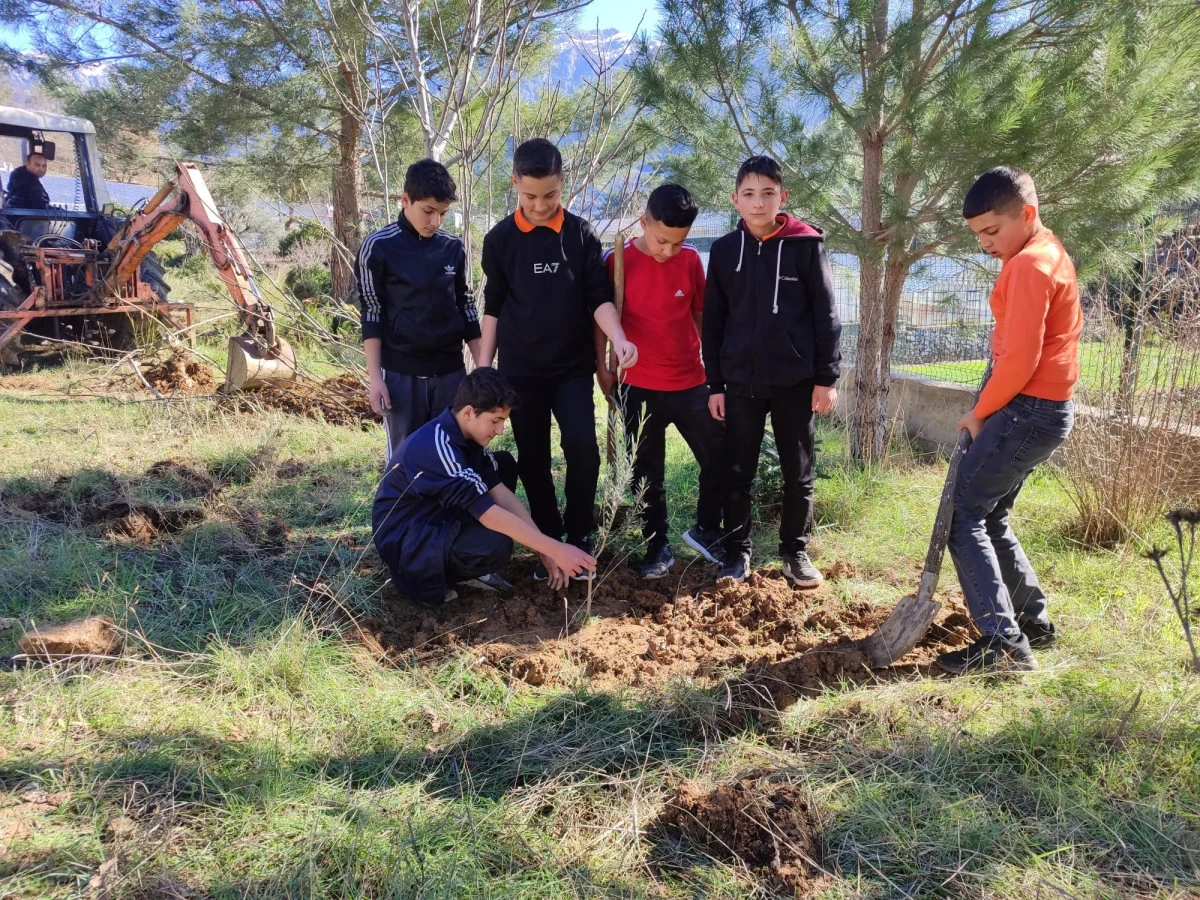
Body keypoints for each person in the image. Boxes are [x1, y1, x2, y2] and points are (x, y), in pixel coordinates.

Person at [936, 166, 1081, 675]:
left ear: (1028, 214)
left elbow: (1018, 360)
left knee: (963, 516)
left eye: (992, 232)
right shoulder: (1046, 251)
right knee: (991, 514)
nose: (984, 245)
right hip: (1046, 410)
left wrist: (979, 413)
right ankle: (1033, 625)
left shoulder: (1027, 267)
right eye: (977, 235)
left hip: (1027, 409)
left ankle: (1003, 646)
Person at [477, 138, 637, 579]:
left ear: (562, 182)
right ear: (514, 184)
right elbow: (492, 307)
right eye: (530, 195)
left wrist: (618, 339)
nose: (541, 204)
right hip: (520, 371)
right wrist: (483, 370)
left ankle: (579, 534)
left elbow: (598, 299)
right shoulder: (500, 240)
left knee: (583, 448)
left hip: (571, 368)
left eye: (550, 194)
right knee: (532, 457)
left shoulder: (582, 235)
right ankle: (547, 537)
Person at [703, 155, 842, 588]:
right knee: (736, 471)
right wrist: (715, 384)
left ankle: (795, 553)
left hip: (795, 384)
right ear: (735, 200)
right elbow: (713, 321)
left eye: (767, 193)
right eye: (749, 194)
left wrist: (827, 378)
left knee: (797, 471)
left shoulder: (806, 244)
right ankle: (736, 552)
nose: (758, 203)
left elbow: (827, 314)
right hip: (740, 383)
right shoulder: (725, 250)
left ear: (782, 197)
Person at [372, 367, 597, 604]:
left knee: (503, 464)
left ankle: (457, 559)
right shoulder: (438, 447)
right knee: (494, 546)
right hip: (407, 540)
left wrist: (546, 550)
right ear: (469, 412)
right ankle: (420, 579)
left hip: (433, 517)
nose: (500, 430)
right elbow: (489, 515)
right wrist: (558, 550)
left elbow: (501, 494)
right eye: (495, 420)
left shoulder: (467, 438)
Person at [595, 183, 725, 578]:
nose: (668, 250)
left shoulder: (690, 261)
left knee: (719, 456)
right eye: (661, 239)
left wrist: (716, 371)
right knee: (648, 472)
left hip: (690, 382)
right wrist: (602, 368)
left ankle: (706, 529)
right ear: (644, 222)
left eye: (678, 241)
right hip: (639, 385)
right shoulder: (615, 261)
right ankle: (657, 546)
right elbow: (602, 319)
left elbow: (701, 316)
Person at [356, 158, 481, 463]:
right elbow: (372, 314)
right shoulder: (378, 246)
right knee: (404, 460)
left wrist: (484, 368)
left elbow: (466, 308)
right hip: (401, 375)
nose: (435, 221)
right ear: (406, 200)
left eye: (443, 214)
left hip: (451, 373)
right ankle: (398, 512)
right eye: (428, 211)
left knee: (453, 457)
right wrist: (376, 379)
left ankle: (449, 513)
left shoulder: (453, 247)